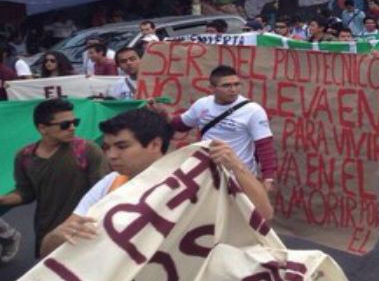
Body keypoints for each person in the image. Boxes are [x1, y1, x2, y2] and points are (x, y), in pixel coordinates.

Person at [39, 109, 273, 257]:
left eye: (122, 147)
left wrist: (237, 167)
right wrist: (58, 235)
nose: (110, 156)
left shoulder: (199, 179)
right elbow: (48, 250)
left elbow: (263, 215)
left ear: (154, 144)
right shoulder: (110, 185)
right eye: (107, 147)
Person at [0, 98, 109, 256]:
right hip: (47, 231)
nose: (72, 128)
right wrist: (3, 200)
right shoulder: (25, 156)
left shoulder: (87, 150)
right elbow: (26, 193)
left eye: (75, 122)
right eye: (65, 125)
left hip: (83, 232)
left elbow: (103, 194)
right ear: (43, 128)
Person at [148, 65, 277, 191]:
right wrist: (162, 112)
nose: (233, 89)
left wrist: (268, 178)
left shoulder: (253, 110)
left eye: (237, 84)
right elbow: (180, 125)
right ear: (212, 88)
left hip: (239, 177)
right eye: (226, 85)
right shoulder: (202, 104)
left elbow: (264, 145)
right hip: (207, 175)